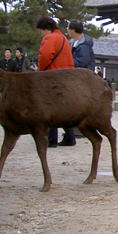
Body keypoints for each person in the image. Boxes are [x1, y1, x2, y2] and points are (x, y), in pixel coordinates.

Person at [36, 16, 76, 147]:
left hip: (53, 77)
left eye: (41, 31)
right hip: (66, 76)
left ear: (45, 29)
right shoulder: (63, 38)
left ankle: (51, 139)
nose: (41, 34)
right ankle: (70, 137)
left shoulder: (50, 38)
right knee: (64, 109)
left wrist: (40, 71)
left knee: (50, 108)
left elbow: (45, 56)